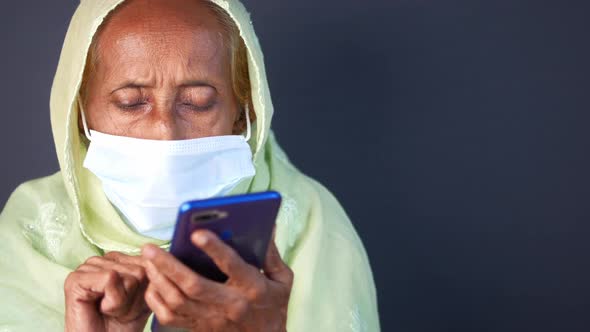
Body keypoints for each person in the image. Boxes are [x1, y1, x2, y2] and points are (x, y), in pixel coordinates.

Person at [0, 0, 380, 331]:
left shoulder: (308, 222)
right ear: (80, 113)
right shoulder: (32, 228)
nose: (165, 130)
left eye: (198, 102)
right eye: (132, 102)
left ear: (242, 112)